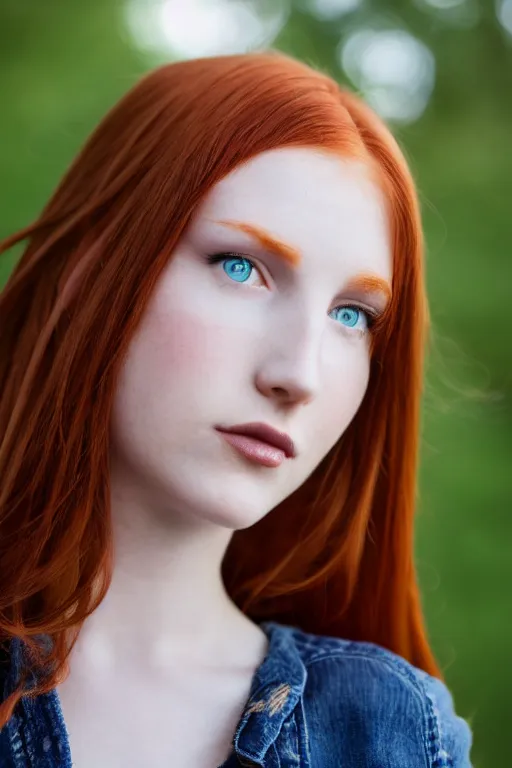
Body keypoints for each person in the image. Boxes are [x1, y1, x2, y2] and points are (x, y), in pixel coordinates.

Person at [0, 51, 473, 767]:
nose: (299, 374)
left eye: (352, 315)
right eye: (241, 267)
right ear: (91, 267)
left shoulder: (392, 733)